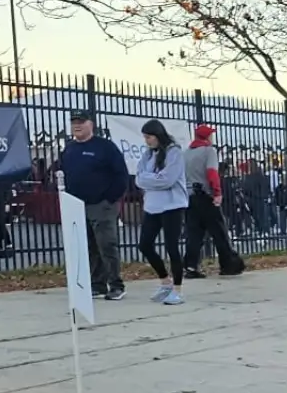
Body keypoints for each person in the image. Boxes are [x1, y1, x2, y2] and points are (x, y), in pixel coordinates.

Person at [57, 109, 130, 301]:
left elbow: (121, 175)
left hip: (101, 205)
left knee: (106, 244)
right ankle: (97, 284)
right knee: (89, 246)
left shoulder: (105, 147)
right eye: (74, 122)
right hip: (78, 205)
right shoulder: (69, 149)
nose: (77, 126)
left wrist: (109, 199)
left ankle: (116, 285)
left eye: (81, 122)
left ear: (91, 124)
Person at [133, 121, 189, 305]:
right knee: (145, 245)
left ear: (158, 135)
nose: (147, 141)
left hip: (172, 205)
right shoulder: (148, 154)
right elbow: (138, 178)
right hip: (152, 206)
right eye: (145, 137)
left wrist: (148, 179)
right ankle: (165, 281)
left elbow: (167, 179)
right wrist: (151, 179)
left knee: (172, 247)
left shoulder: (174, 152)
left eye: (149, 137)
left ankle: (177, 290)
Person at [181, 123, 243, 279]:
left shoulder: (186, 153)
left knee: (194, 233)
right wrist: (217, 193)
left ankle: (190, 266)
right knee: (219, 231)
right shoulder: (209, 151)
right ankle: (228, 264)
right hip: (205, 195)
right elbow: (212, 173)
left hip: (190, 196)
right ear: (207, 137)